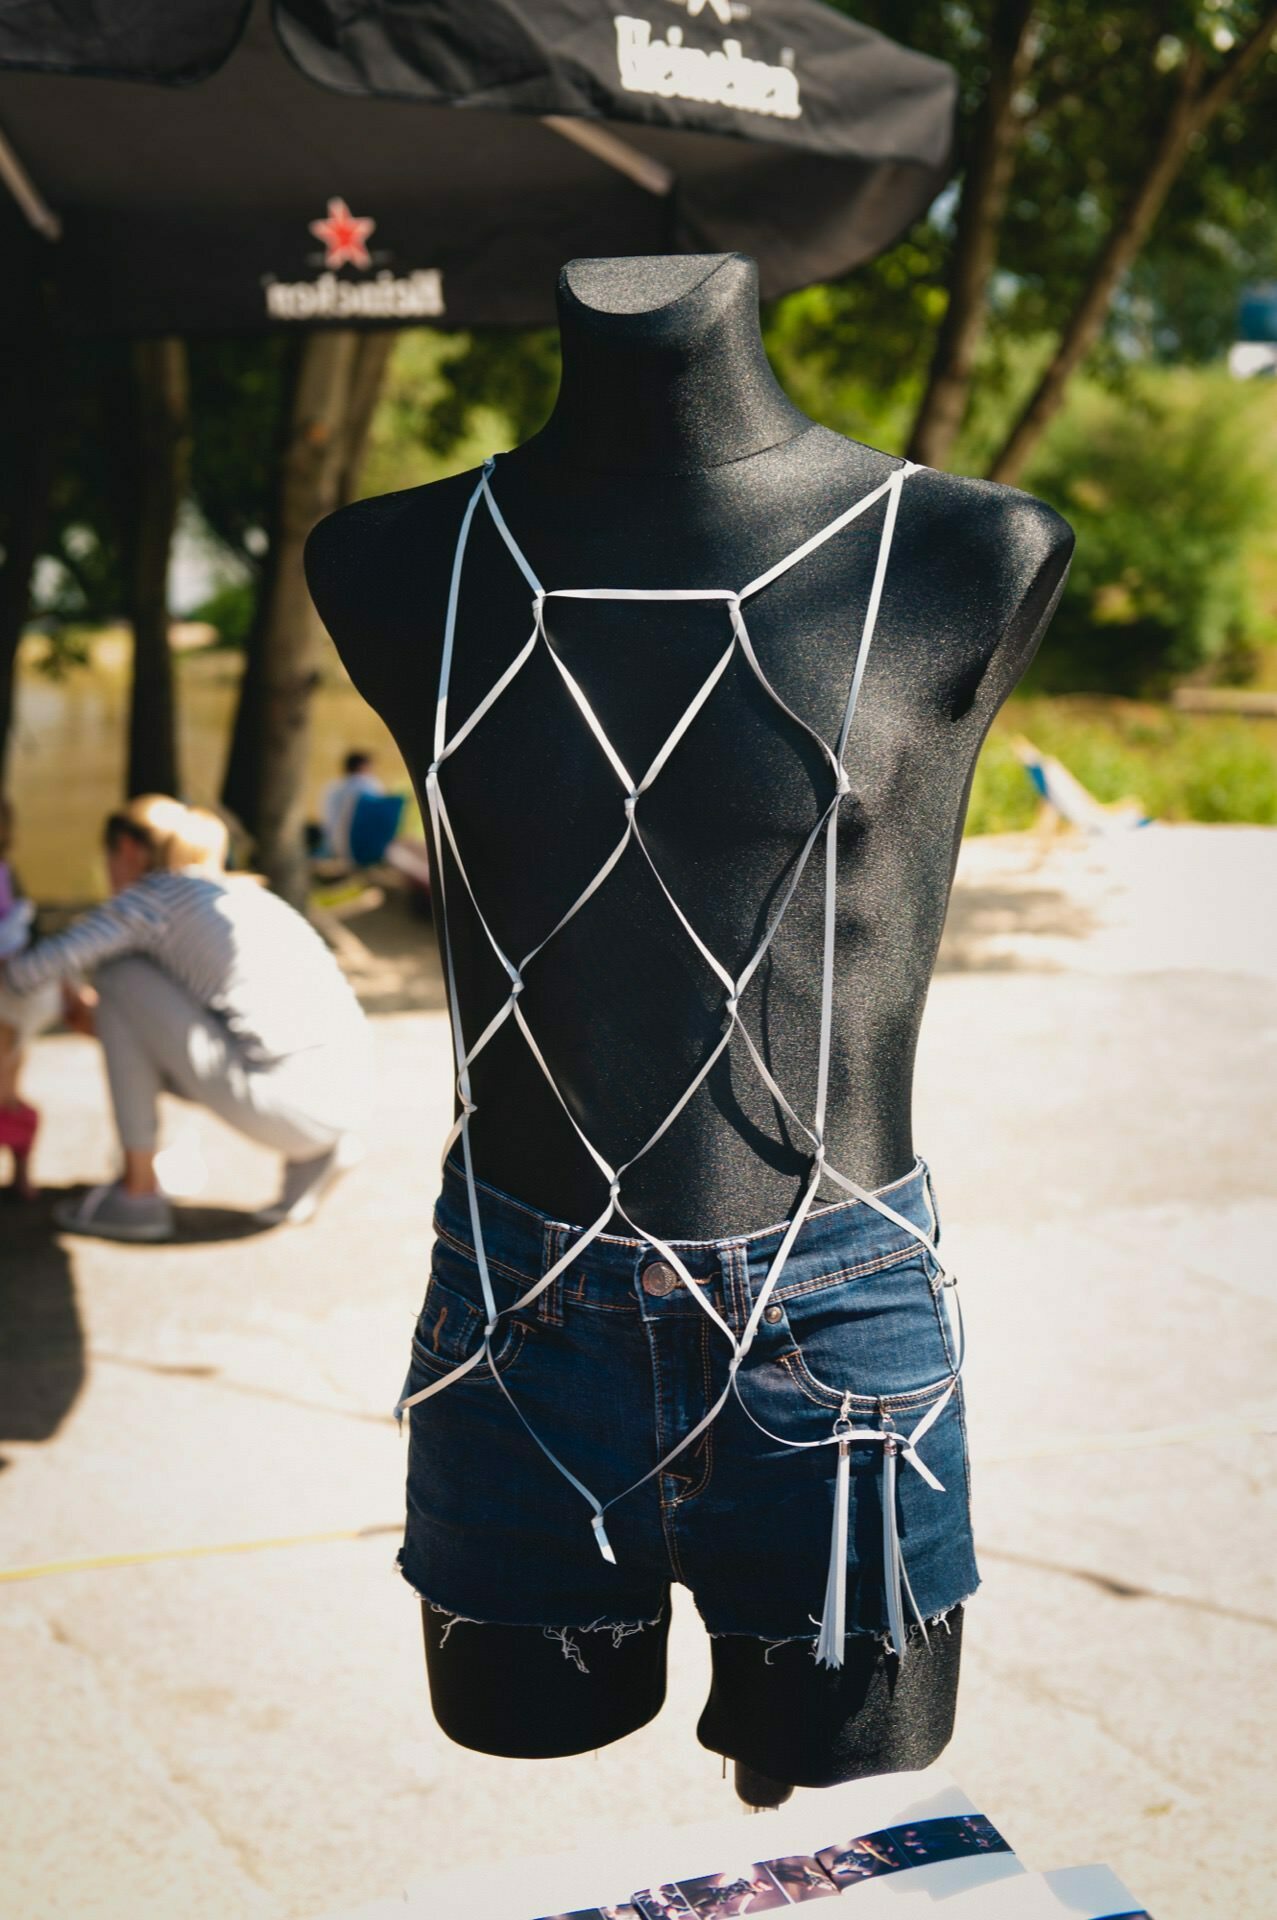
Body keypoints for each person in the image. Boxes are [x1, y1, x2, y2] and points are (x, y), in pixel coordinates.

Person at [0, 793, 370, 1241]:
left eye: (109, 860)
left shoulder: (153, 896)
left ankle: (138, 1197)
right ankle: (320, 1152)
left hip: (289, 1105)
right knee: (133, 995)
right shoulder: (234, 892)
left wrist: (76, 997)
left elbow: (24, 975)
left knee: (119, 975)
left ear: (129, 850)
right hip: (346, 1097)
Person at [0, 796, 63, 1196]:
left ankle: (22, 1174)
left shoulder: (7, 873)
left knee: (6, 1081)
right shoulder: (8, 873)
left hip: (11, 994)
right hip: (16, 992)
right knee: (7, 1080)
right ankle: (23, 1175)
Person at [320, 749, 384, 864]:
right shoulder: (367, 784)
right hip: (358, 848)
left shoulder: (332, 787)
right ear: (362, 766)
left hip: (331, 846)